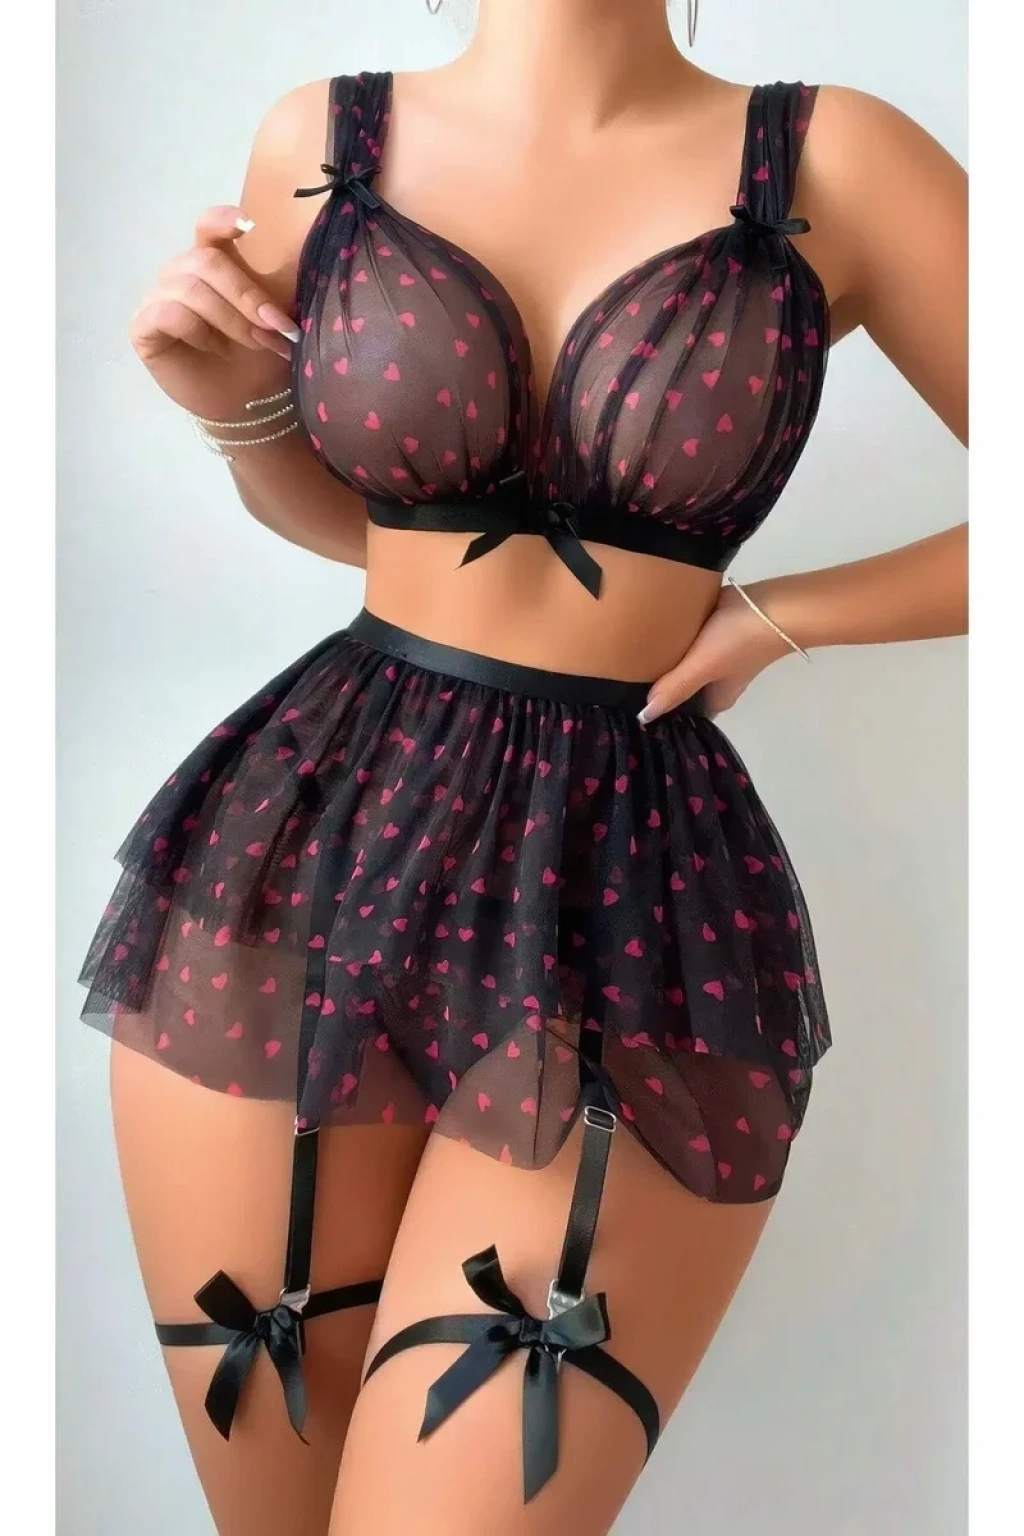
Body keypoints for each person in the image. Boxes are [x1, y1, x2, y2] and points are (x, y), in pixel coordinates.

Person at [79, 1, 967, 1531]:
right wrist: (231, 410)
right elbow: (380, 535)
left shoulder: (839, 158)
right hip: (314, 847)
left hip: (630, 890)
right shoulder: (322, 138)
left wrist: (780, 617)